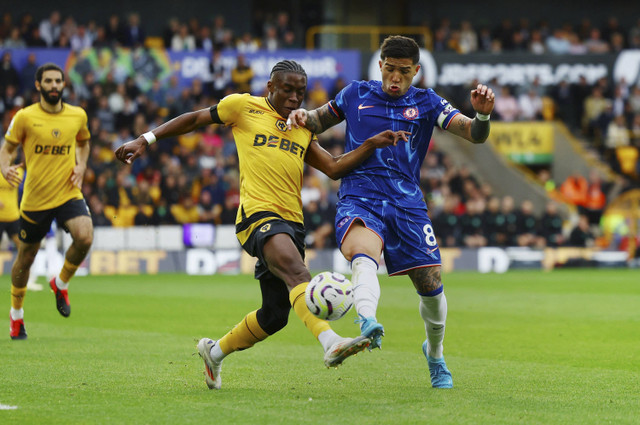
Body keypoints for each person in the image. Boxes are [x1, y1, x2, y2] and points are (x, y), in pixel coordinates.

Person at [114, 60, 408, 390]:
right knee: (299, 275)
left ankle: (214, 352)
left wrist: (370, 144)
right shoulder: (243, 107)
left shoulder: (303, 126)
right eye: (287, 89)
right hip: (257, 215)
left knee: (275, 315)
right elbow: (195, 119)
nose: (295, 98)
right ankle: (331, 342)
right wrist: (146, 139)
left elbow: (334, 167)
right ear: (270, 87)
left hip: (292, 222)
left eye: (300, 92)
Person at [287, 35, 495, 388]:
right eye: (390, 69)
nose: (395, 78)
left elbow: (474, 134)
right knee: (363, 255)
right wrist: (302, 115)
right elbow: (318, 122)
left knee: (431, 287)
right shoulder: (355, 94)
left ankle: (435, 353)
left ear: (416, 71)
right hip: (360, 194)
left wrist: (482, 114)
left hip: (407, 204)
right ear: (380, 65)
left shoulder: (427, 102)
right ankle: (367, 321)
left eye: (403, 72)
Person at [1, 63, 93, 340]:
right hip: (35, 199)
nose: (54, 85)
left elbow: (84, 143)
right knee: (26, 257)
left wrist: (82, 166)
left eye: (58, 81)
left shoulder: (77, 115)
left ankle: (60, 282)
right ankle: (16, 315)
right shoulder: (25, 117)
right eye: (49, 81)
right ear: (38, 85)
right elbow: (7, 149)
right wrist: (5, 167)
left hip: (67, 192)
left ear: (64, 85)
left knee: (85, 237)